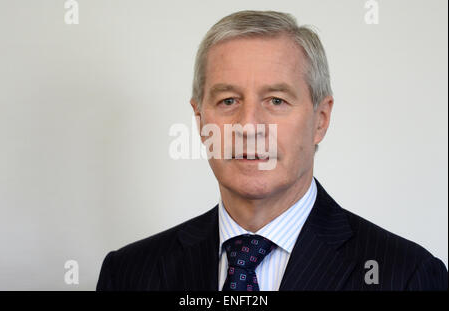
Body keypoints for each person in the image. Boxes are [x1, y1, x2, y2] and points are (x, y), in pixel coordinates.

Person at [97, 10, 447, 291]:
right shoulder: (128, 274)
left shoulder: (406, 276)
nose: (249, 126)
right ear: (200, 119)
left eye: (276, 100)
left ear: (320, 120)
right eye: (228, 100)